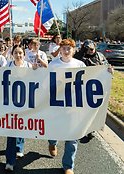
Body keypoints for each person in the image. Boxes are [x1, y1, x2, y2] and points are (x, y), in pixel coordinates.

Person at [48, 38, 87, 174]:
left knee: (72, 137)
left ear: (73, 50)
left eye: (69, 48)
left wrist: (106, 73)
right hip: (56, 106)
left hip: (73, 106)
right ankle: (52, 142)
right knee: (54, 131)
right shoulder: (53, 64)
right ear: (60, 50)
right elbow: (43, 80)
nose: (66, 51)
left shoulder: (80, 64)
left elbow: (89, 80)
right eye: (63, 48)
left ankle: (68, 166)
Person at [74, 39, 113, 142]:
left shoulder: (100, 56)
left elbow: (106, 66)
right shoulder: (79, 57)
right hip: (81, 87)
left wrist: (109, 71)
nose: (91, 50)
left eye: (92, 48)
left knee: (94, 108)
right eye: (88, 49)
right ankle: (81, 127)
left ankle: (91, 129)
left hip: (96, 88)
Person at [5, 45, 33, 171]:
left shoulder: (29, 66)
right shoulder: (8, 65)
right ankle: (10, 161)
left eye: (20, 53)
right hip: (10, 103)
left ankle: (19, 147)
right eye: (16, 52)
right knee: (11, 132)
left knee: (21, 126)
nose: (18, 55)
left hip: (25, 103)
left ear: (24, 54)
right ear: (12, 54)